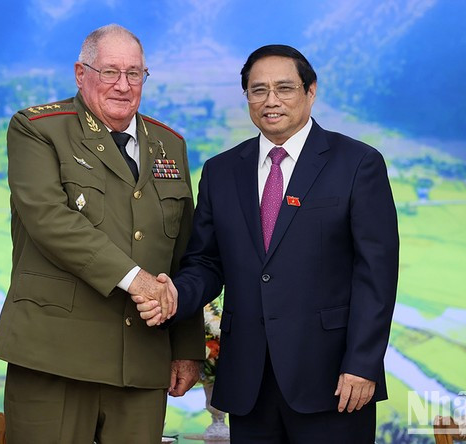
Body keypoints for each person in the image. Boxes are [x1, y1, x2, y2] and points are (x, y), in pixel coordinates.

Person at [135, 44, 399, 442]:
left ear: (311, 91)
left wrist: (362, 363)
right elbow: (206, 262)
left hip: (333, 381)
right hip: (249, 381)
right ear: (247, 98)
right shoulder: (221, 171)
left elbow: (376, 274)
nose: (270, 101)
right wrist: (174, 293)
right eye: (258, 90)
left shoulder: (357, 163)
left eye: (284, 88)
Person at [0, 24, 204, 444]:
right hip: (55, 356)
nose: (123, 86)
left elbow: (182, 253)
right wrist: (135, 279)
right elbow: (51, 220)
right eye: (109, 72)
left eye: (135, 73)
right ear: (80, 73)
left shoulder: (170, 144)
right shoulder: (38, 129)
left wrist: (187, 346)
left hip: (141, 361)